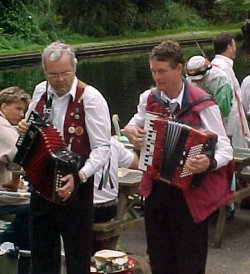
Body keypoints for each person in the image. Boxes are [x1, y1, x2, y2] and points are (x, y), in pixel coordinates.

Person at [123, 40, 234, 274]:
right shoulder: (149, 98)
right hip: (156, 191)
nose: (156, 77)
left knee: (190, 261)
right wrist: (130, 131)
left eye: (162, 71)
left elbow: (225, 149)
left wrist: (209, 162)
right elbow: (134, 122)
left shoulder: (202, 103)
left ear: (178, 68)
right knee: (160, 258)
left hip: (189, 195)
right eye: (153, 71)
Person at [18, 42, 111, 274]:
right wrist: (24, 129)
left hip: (77, 186)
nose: (60, 79)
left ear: (74, 68)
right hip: (41, 184)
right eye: (53, 74)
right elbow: (34, 130)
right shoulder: (40, 91)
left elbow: (102, 148)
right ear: (44, 71)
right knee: (41, 257)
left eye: (65, 73)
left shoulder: (90, 98)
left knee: (77, 257)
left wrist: (79, 176)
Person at [186, 55, 250, 148]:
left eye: (200, 78)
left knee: (231, 143)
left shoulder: (220, 78)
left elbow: (223, 107)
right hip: (205, 113)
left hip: (227, 115)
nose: (198, 81)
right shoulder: (190, 79)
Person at [0, 86, 31, 274]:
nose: (22, 115)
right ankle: (14, 248)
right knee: (38, 206)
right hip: (3, 196)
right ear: (3, 107)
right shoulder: (3, 130)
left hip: (7, 190)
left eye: (24, 110)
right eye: (18, 109)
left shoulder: (7, 127)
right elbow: (22, 160)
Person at [93, 136, 138, 252]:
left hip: (85, 208)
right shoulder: (112, 142)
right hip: (108, 208)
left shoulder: (77, 142)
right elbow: (136, 162)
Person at [212, 32, 241, 97]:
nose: (235, 49)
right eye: (234, 46)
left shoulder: (213, 64)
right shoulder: (224, 67)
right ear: (229, 47)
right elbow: (231, 95)